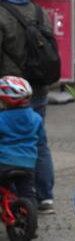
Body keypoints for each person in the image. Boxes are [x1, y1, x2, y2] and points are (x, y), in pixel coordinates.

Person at [0, 0, 55, 214]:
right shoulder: (38, 9)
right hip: (39, 83)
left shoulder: (1, 12)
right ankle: (42, 196)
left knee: (7, 137)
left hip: (9, 88)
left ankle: (13, 194)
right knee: (37, 138)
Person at [0, 76, 44, 211]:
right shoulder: (36, 118)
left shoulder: (1, 118)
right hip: (28, 163)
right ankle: (28, 214)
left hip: (4, 162)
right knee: (27, 192)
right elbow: (40, 139)